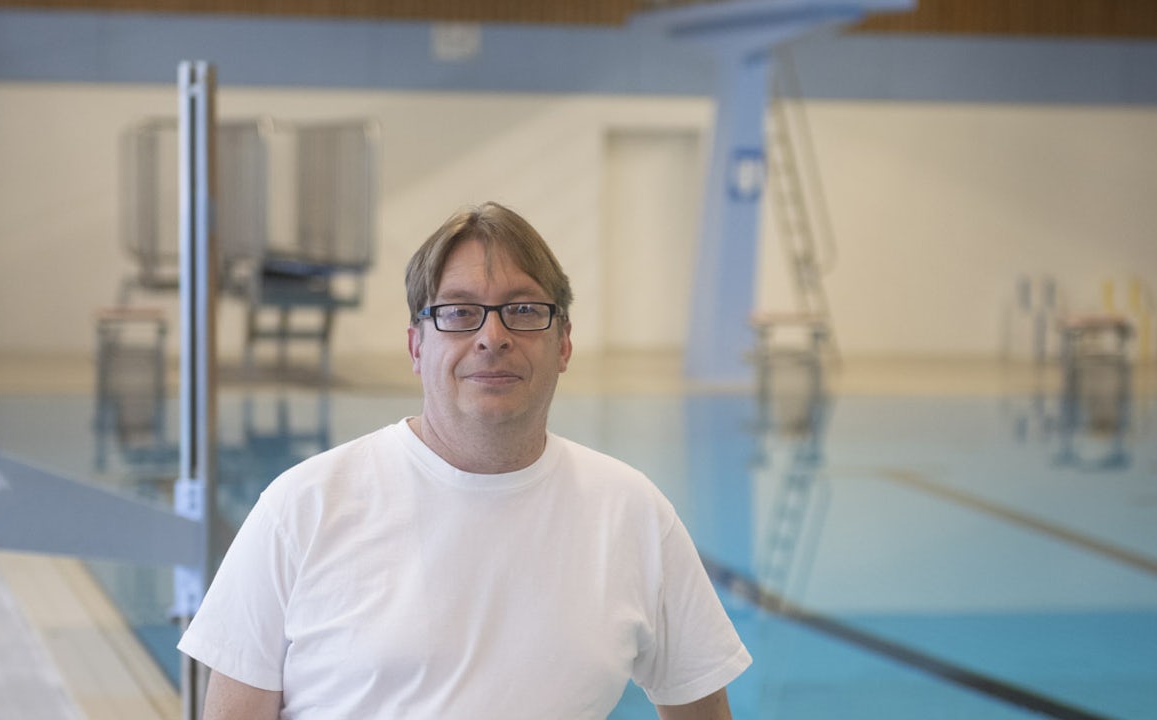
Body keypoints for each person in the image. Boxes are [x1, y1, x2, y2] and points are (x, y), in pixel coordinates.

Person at [178, 202, 751, 719]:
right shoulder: (302, 507)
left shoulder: (631, 513)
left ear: (565, 344)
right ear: (416, 346)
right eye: (458, 312)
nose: (492, 336)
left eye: (524, 310)